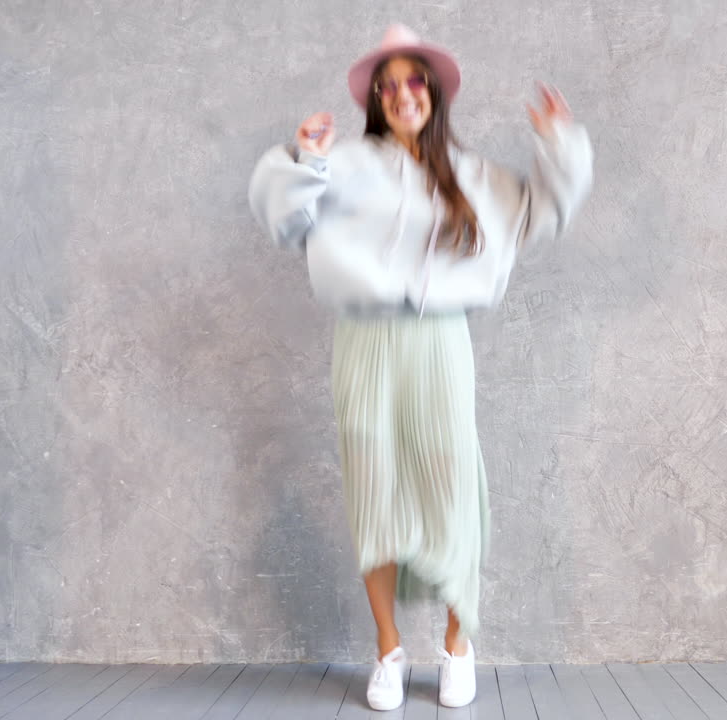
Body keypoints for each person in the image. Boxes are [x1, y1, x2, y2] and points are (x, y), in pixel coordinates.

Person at [248, 23, 593, 710]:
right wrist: (305, 157)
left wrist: (559, 145)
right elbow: (281, 216)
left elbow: (545, 211)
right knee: (373, 488)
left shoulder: (473, 175)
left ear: (432, 93)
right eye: (390, 84)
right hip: (365, 341)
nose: (404, 94)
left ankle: (458, 648)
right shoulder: (345, 165)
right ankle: (388, 652)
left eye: (414, 81)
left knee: (452, 487)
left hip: (440, 342)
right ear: (376, 98)